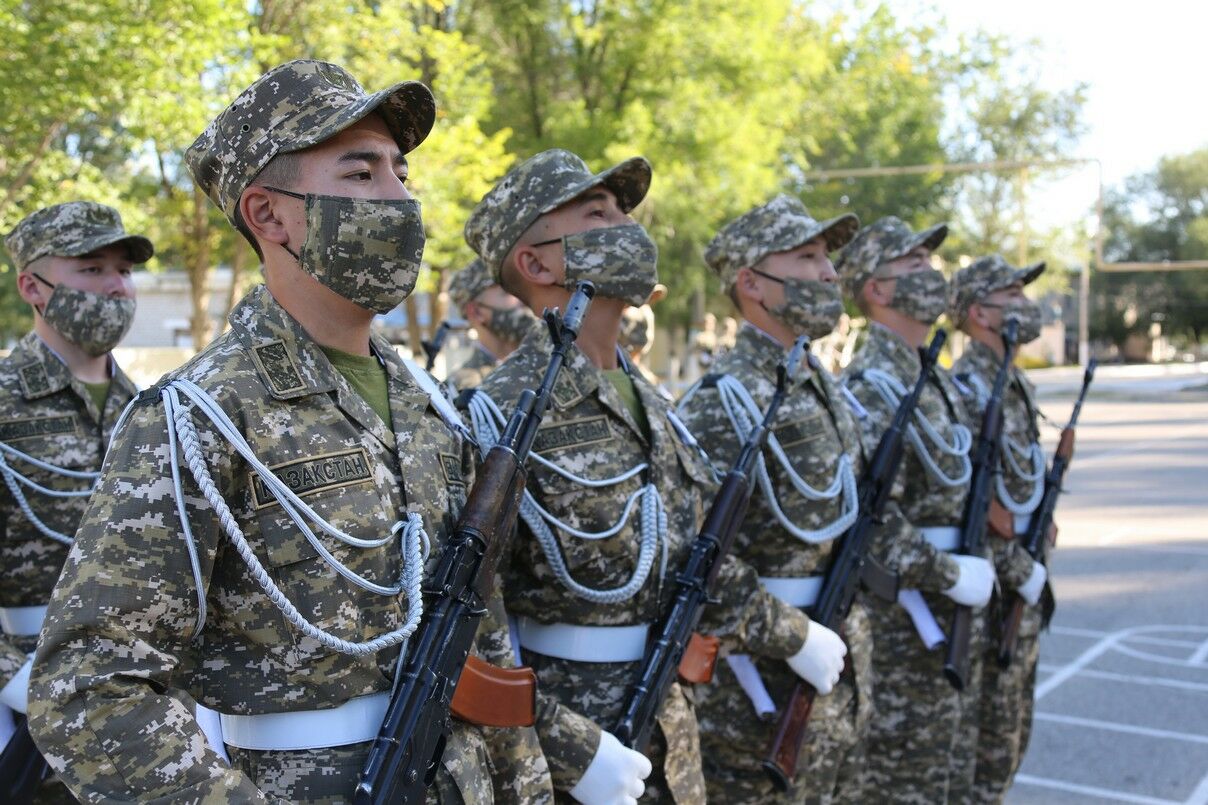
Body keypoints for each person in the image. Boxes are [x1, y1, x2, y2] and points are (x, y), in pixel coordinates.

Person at [28, 59, 550, 803]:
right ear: (269, 215)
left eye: (400, 173)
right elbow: (86, 688)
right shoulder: (200, 417)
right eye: (362, 174)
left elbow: (482, 641)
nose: (400, 199)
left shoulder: (431, 407)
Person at [461, 149, 841, 804]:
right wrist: (567, 749)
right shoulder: (499, 414)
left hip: (670, 731)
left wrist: (793, 632)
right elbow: (471, 625)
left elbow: (697, 559)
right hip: (575, 750)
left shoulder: (654, 403)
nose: (626, 226)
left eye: (622, 212)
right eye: (597, 213)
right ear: (536, 262)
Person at [676, 194, 870, 803]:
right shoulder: (722, 401)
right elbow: (696, 555)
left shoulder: (815, 382)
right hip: (756, 693)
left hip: (836, 670)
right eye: (809, 257)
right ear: (753, 284)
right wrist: (794, 636)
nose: (830, 273)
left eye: (828, 259)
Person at [836, 217, 995, 802]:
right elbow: (872, 515)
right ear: (877, 290)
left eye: (931, 265)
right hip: (904, 621)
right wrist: (949, 573)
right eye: (915, 266)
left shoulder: (935, 379)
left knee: (951, 775)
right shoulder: (871, 384)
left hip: (954, 610)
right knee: (901, 784)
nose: (934, 276)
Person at [0, 201, 146, 801]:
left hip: (147, 706)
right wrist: (22, 685)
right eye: (90, 269)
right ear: (33, 286)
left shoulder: (153, 410)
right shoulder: (5, 406)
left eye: (123, 269)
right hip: (26, 708)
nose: (115, 286)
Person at [950, 254, 1053, 803]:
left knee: (1012, 739)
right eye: (1010, 295)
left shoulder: (1012, 383)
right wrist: (1022, 570)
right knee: (983, 750)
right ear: (978, 314)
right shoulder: (969, 387)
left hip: (1022, 582)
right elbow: (974, 502)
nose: (1025, 305)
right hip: (992, 593)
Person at [446, 257, 535, 390]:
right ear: (477, 312)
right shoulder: (461, 388)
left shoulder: (553, 362)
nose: (523, 298)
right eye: (509, 292)